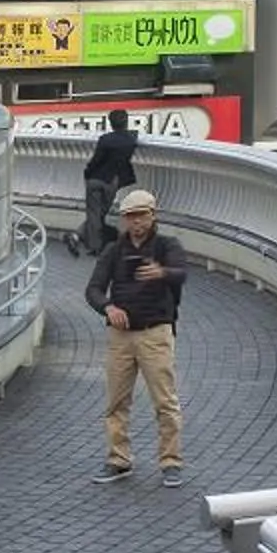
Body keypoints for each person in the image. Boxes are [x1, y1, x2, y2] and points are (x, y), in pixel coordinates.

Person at [84, 186, 187, 487]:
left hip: (155, 332)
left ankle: (171, 461)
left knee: (165, 401)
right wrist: (107, 307)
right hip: (120, 336)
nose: (136, 222)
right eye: (130, 217)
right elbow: (93, 289)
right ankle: (118, 459)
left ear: (153, 216)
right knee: (116, 401)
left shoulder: (168, 246)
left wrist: (162, 273)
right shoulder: (114, 250)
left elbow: (182, 272)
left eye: (141, 216)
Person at [81, 109, 139, 256]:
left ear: (110, 123)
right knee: (101, 213)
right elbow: (132, 135)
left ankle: (94, 246)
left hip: (95, 179)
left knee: (94, 214)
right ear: (126, 122)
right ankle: (86, 238)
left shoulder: (105, 139)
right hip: (112, 181)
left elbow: (96, 161)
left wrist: (87, 172)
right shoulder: (131, 139)